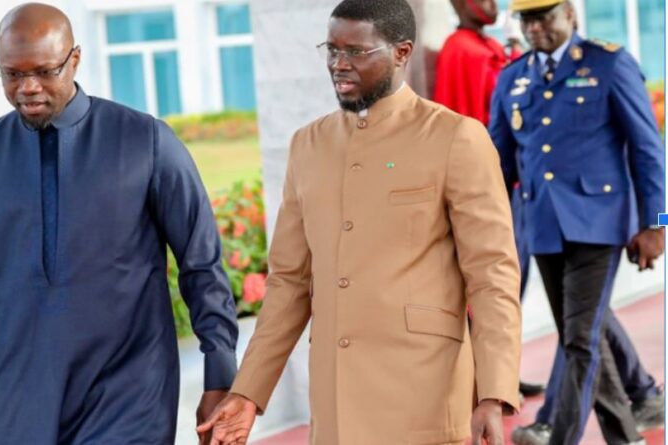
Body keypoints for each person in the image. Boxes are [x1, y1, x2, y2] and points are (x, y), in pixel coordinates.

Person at [0, 4, 238, 445]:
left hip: (130, 395)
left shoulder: (146, 142)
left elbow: (201, 265)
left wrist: (220, 374)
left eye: (44, 71)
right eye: (12, 74)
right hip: (18, 401)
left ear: (75, 59)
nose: (28, 87)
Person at [197, 1, 522, 444]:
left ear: (402, 52)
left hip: (424, 396)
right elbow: (289, 282)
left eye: (356, 51)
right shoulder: (308, 145)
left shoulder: (455, 138)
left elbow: (492, 275)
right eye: (332, 50)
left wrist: (494, 392)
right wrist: (248, 392)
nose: (338, 64)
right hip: (336, 405)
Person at [488, 0, 665, 444]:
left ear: (569, 13)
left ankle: (559, 436)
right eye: (527, 19)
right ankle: (625, 437)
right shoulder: (513, 77)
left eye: (544, 16)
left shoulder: (609, 63)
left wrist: (657, 223)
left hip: (600, 224)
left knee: (580, 341)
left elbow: (648, 148)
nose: (534, 28)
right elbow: (498, 165)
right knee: (582, 336)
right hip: (543, 227)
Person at [433, 0, 545, 399]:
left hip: (510, 182)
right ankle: (485, 380)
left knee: (510, 284)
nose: (492, 5)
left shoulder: (486, 46)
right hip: (486, 186)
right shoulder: (462, 50)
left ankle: (500, 373)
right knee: (493, 286)